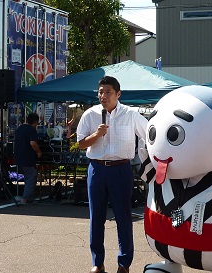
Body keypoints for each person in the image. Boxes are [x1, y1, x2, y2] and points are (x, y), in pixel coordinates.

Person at [76, 76, 147, 273]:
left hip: (121, 169)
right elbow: (81, 144)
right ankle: (97, 263)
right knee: (96, 217)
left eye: (108, 92)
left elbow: (149, 134)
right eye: (100, 92)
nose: (103, 96)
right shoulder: (89, 115)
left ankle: (124, 263)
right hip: (97, 169)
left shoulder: (131, 114)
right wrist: (97, 135)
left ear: (118, 94)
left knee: (123, 216)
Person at [14, 113, 42, 204]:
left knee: (27, 177)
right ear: (36, 122)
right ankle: (25, 198)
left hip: (18, 156)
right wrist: (38, 152)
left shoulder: (19, 129)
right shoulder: (31, 130)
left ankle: (28, 196)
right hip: (28, 157)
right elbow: (33, 143)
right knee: (31, 176)